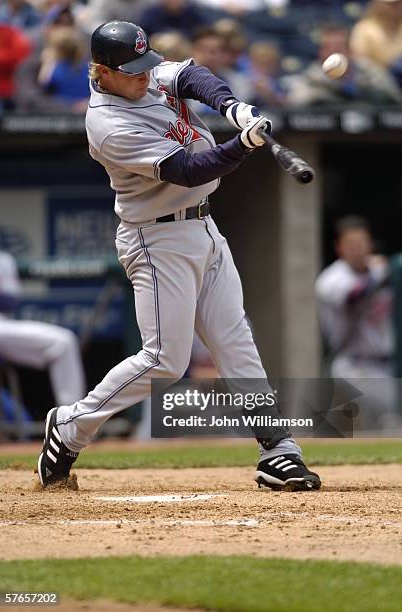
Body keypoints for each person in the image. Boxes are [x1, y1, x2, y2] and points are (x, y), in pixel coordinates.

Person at [37, 20, 321, 492]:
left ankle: (278, 451)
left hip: (204, 227)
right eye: (132, 71)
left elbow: (192, 76)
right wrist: (243, 144)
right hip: (156, 239)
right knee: (164, 360)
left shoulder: (141, 73)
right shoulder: (107, 123)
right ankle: (70, 426)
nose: (145, 77)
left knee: (235, 340)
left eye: (146, 66)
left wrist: (232, 107)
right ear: (103, 73)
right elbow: (187, 170)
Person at [316, 217, 395, 427]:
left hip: (386, 364)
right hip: (353, 364)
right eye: (351, 245)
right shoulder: (332, 279)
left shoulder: (379, 270)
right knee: (392, 409)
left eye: (362, 243)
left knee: (380, 425)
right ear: (339, 248)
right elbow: (355, 296)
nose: (358, 250)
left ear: (370, 244)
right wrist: (385, 274)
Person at [0, 250, 86, 410]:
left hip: (0, 326)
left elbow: (10, 302)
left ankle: (70, 420)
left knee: (63, 342)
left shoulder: (2, 260)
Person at [286, 23, 402, 106]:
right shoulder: (312, 76)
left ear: (349, 51)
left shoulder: (369, 70)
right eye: (327, 48)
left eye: (338, 48)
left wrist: (364, 92)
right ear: (320, 52)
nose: (332, 53)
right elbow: (295, 102)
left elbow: (394, 98)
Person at [350, 0, 402, 84]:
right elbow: (362, 64)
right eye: (390, 4)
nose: (395, 7)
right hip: (378, 82)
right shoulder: (363, 29)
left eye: (398, 3)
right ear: (377, 3)